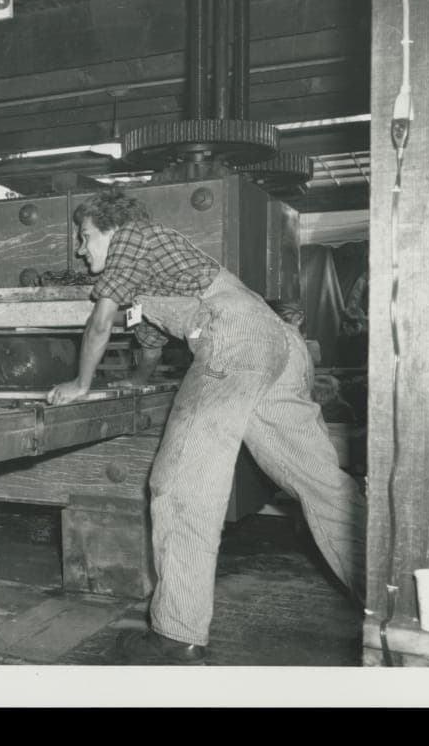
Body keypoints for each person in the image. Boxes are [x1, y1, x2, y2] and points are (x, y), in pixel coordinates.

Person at [47, 188, 366, 665]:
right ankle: (389, 593)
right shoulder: (148, 271)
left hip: (234, 339)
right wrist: (136, 381)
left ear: (111, 228)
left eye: (85, 235)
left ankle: (176, 635)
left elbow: (100, 323)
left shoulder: (132, 237)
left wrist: (80, 381)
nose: (79, 248)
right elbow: (152, 340)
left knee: (180, 485)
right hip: (277, 344)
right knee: (318, 483)